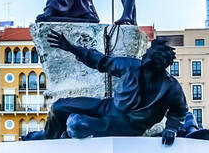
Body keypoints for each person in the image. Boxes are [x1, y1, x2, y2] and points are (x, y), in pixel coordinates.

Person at [41, 32, 188, 142]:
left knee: (77, 124)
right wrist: (72, 48)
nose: (143, 59)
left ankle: (69, 135)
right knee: (58, 107)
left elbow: (179, 112)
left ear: (159, 65)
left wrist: (171, 128)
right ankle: (48, 140)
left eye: (147, 58)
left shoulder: (171, 88)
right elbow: (101, 61)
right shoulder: (132, 66)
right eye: (145, 55)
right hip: (109, 107)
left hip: (127, 126)